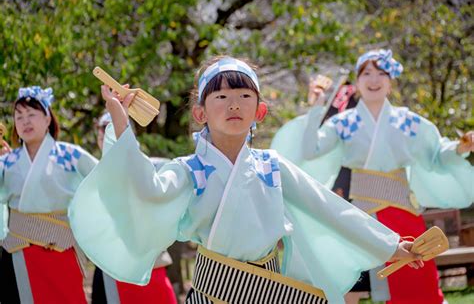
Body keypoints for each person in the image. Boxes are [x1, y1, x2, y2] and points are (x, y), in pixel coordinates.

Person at [69, 56, 421, 304]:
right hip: (215, 290)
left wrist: (390, 246)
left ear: (259, 111)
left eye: (243, 97)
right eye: (221, 97)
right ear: (200, 113)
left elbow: (328, 208)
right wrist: (119, 119)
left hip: (270, 289)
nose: (233, 104)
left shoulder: (272, 166)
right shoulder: (188, 170)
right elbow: (143, 188)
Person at [272, 49, 474, 304]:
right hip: (361, 214)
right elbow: (311, 150)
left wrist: (460, 147)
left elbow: (435, 154)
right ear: (357, 82)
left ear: (390, 82)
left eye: (381, 73)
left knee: (416, 285)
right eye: (366, 73)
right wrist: (316, 107)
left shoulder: (408, 122)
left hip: (403, 211)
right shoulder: (344, 122)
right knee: (347, 281)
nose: (374, 79)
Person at [0, 86, 98, 303]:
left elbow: (104, 181)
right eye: (19, 116)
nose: (25, 121)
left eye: (32, 115)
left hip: (60, 249)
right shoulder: (7, 162)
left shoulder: (70, 155)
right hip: (18, 252)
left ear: (47, 119)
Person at [90, 112, 177, 304]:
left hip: (147, 262)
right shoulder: (91, 172)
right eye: (102, 133)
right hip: (108, 263)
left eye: (113, 132)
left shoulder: (151, 167)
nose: (105, 137)